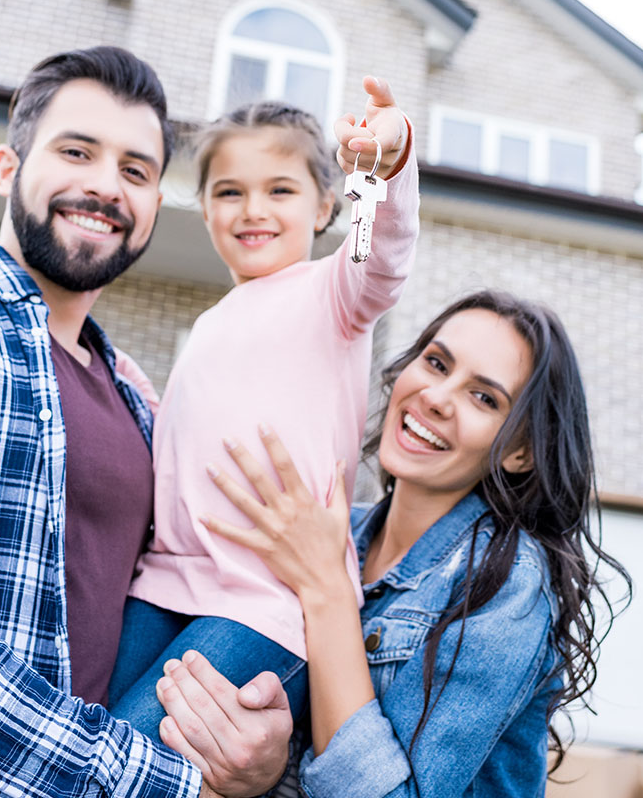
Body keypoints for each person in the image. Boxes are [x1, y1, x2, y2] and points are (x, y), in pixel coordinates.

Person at [0, 46, 291, 798]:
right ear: (8, 169)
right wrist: (152, 783)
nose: (105, 186)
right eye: (77, 151)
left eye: (136, 171)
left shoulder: (139, 405)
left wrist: (259, 758)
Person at [160, 290, 631, 796]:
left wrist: (327, 589)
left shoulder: (507, 586)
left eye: (484, 397)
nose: (435, 396)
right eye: (435, 363)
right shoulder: (339, 533)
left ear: (520, 453)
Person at [107, 77, 420, 741]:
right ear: (205, 210)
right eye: (229, 192)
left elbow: (380, 255)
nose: (253, 208)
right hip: (165, 583)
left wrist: (380, 171)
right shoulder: (214, 323)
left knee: (126, 758)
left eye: (280, 189)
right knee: (91, 734)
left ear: (324, 205)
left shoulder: (332, 294)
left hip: (262, 603)